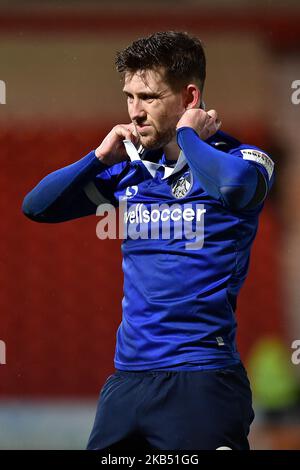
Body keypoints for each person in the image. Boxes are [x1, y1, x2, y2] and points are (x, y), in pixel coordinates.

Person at [22, 31, 274, 450]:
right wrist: (98, 158)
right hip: (128, 383)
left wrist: (190, 137)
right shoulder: (130, 170)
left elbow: (233, 190)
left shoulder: (242, 160)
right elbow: (37, 207)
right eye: (129, 97)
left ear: (189, 97)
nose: (135, 112)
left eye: (149, 98)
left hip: (200, 379)